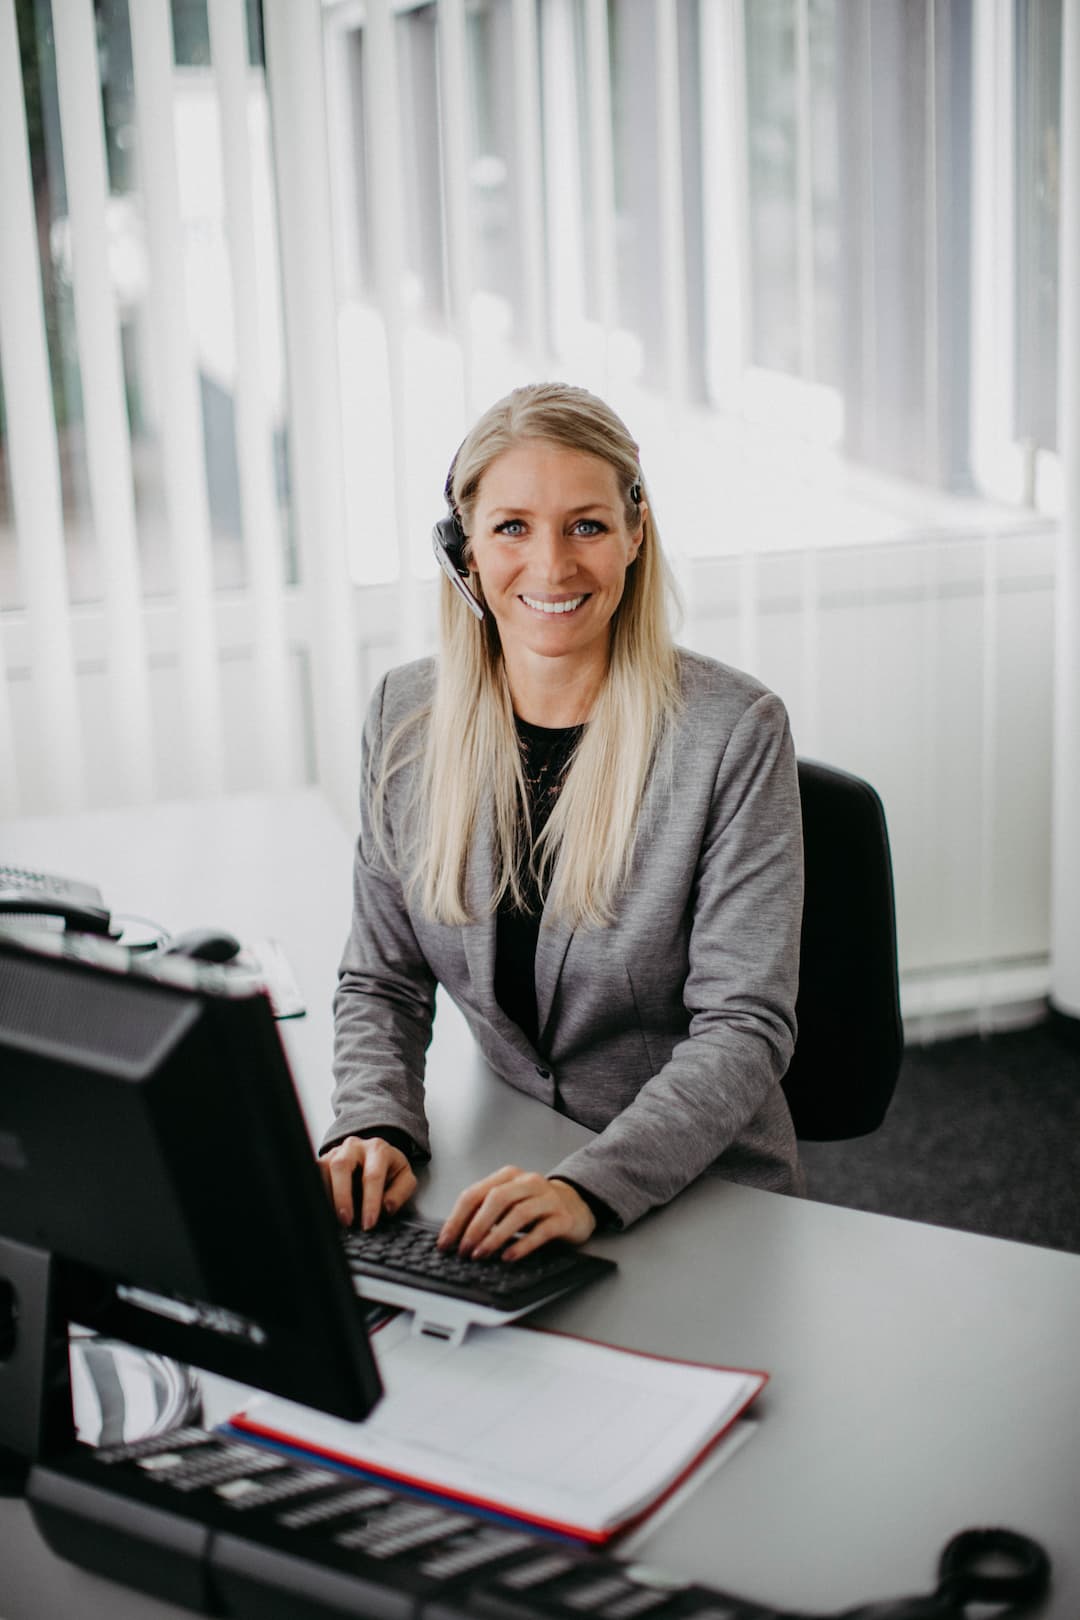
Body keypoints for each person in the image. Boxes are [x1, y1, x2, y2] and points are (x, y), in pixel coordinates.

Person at [320, 382, 804, 1261]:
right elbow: (383, 979)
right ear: (463, 548)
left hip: (699, 1193)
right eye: (512, 527)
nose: (551, 567)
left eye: (586, 525)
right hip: (509, 1165)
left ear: (634, 533)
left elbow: (743, 1027)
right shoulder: (406, 719)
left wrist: (588, 1187)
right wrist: (374, 1122)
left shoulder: (732, 733)